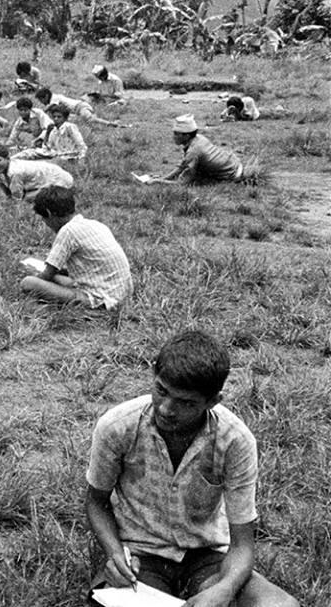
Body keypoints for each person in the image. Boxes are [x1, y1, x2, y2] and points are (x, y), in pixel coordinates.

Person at [85, 330, 300, 607]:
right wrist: (116, 554)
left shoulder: (235, 440)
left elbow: (242, 544)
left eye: (185, 402)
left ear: (212, 402)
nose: (166, 409)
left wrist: (225, 589)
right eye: (161, 391)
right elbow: (96, 501)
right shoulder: (117, 426)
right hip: (140, 557)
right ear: (153, 375)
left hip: (208, 556)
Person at [20, 186, 132, 310]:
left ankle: (45, 307)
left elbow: (47, 275)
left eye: (44, 218)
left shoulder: (68, 231)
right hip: (119, 294)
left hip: (99, 300)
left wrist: (36, 275)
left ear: (49, 213)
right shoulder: (96, 225)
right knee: (58, 278)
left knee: (28, 282)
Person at [152, 115, 249, 186]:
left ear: (186, 136)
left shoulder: (193, 152)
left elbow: (182, 183)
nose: (174, 137)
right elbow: (182, 166)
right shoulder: (199, 137)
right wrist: (164, 177)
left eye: (177, 134)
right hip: (234, 163)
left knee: (197, 180)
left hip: (232, 174)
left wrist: (158, 182)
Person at [0, 144, 73, 201]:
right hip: (55, 176)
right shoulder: (11, 165)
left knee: (26, 199)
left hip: (61, 181)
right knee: (27, 195)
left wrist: (0, 184)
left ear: (7, 158)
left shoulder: (14, 172)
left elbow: (16, 199)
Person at [11, 103, 87, 161]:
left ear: (65, 118)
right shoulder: (54, 129)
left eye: (59, 117)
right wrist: (47, 133)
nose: (56, 119)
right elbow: (48, 146)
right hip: (54, 153)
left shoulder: (69, 126)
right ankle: (11, 160)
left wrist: (81, 158)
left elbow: (80, 144)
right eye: (54, 117)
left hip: (67, 155)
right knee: (28, 153)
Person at [34, 88, 123, 128]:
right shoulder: (54, 101)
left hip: (80, 107)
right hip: (78, 110)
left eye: (41, 100)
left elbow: (50, 107)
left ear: (46, 96)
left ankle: (112, 124)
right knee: (88, 121)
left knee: (91, 119)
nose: (42, 102)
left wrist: (40, 112)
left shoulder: (54, 98)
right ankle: (111, 123)